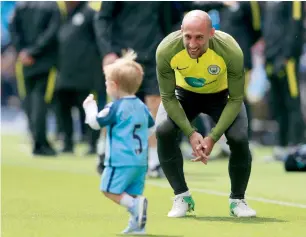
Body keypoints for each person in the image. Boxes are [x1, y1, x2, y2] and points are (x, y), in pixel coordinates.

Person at [155, 10, 256, 218]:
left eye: (199, 37)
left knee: (239, 137)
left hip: (222, 96)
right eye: (188, 36)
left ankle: (238, 200)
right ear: (181, 31)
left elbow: (237, 99)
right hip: (183, 94)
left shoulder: (231, 50)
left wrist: (213, 137)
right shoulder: (165, 50)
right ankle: (181, 196)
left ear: (212, 33)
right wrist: (191, 133)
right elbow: (167, 97)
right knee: (163, 129)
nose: (192, 44)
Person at [94, 2, 182, 177]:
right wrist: (108, 51)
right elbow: (102, 18)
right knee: (118, 106)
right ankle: (104, 150)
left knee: (156, 105)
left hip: (155, 54)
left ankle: (154, 162)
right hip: (124, 54)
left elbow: (173, 17)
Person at [83, 51, 154, 234]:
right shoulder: (141, 106)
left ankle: (135, 206)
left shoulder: (115, 107)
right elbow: (151, 127)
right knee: (131, 192)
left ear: (114, 85)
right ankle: (137, 226)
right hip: (140, 161)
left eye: (107, 82)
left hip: (120, 160)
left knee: (108, 189)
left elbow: (95, 123)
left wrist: (90, 107)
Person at [9, 1, 62, 156]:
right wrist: (34, 51)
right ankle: (40, 142)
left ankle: (35, 138)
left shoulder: (21, 5)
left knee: (28, 99)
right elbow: (52, 32)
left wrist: (23, 51)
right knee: (41, 99)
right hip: (45, 61)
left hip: (25, 62)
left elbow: (13, 29)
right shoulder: (52, 5)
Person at [55, 1, 106, 155]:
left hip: (86, 73)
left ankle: (92, 143)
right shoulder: (62, 14)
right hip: (64, 71)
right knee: (63, 108)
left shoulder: (90, 13)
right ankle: (67, 142)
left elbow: (100, 39)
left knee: (87, 108)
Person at [262, 1, 305, 159]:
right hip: (271, 59)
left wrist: (287, 55)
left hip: (287, 61)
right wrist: (267, 56)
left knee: (292, 102)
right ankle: (281, 146)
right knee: (277, 104)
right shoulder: (269, 3)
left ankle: (296, 145)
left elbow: (296, 25)